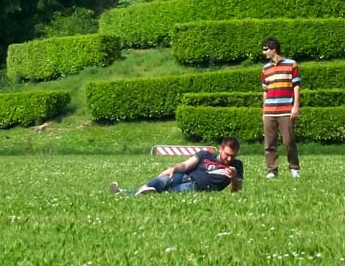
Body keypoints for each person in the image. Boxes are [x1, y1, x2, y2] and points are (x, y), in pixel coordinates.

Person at [110, 136, 243, 195]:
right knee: (162, 180)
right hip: (185, 176)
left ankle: (124, 193)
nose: (229, 158)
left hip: (195, 187)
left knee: (165, 193)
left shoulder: (236, 166)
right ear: (220, 149)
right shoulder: (205, 155)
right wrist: (173, 168)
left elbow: (236, 191)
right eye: (227, 154)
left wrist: (233, 178)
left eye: (233, 155)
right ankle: (127, 191)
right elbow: (185, 165)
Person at [261, 37, 301, 179]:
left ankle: (294, 168)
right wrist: (264, 110)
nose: (263, 52)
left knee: (289, 141)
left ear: (274, 49)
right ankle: (272, 170)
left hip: (286, 110)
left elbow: (296, 86)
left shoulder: (291, 64)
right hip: (269, 111)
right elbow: (265, 90)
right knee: (269, 143)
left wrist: (295, 106)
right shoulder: (265, 69)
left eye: (265, 49)